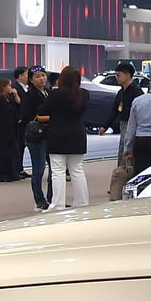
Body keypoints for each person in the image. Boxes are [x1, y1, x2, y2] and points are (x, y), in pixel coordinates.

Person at [44, 65, 92, 210]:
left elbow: (43, 111)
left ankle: (57, 204)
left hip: (57, 135)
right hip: (78, 135)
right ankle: (82, 203)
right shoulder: (84, 94)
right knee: (77, 170)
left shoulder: (56, 94)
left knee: (57, 171)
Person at [105, 61, 143, 201]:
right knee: (122, 153)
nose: (117, 77)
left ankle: (129, 183)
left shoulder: (136, 92)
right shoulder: (121, 92)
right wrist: (105, 125)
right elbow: (114, 110)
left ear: (128, 75)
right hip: (123, 125)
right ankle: (119, 182)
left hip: (133, 126)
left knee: (129, 153)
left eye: (119, 75)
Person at [20, 66, 53, 210]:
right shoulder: (30, 95)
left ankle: (53, 199)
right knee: (39, 169)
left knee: (54, 169)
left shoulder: (48, 92)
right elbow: (26, 116)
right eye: (37, 76)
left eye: (43, 75)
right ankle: (40, 200)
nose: (41, 79)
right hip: (36, 137)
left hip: (49, 135)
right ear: (31, 80)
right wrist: (50, 118)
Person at [0, 76, 27, 182]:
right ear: (3, 87)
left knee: (12, 153)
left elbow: (19, 109)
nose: (11, 88)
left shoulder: (9, 99)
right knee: (0, 154)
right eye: (9, 85)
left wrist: (16, 97)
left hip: (11, 131)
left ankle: (12, 173)